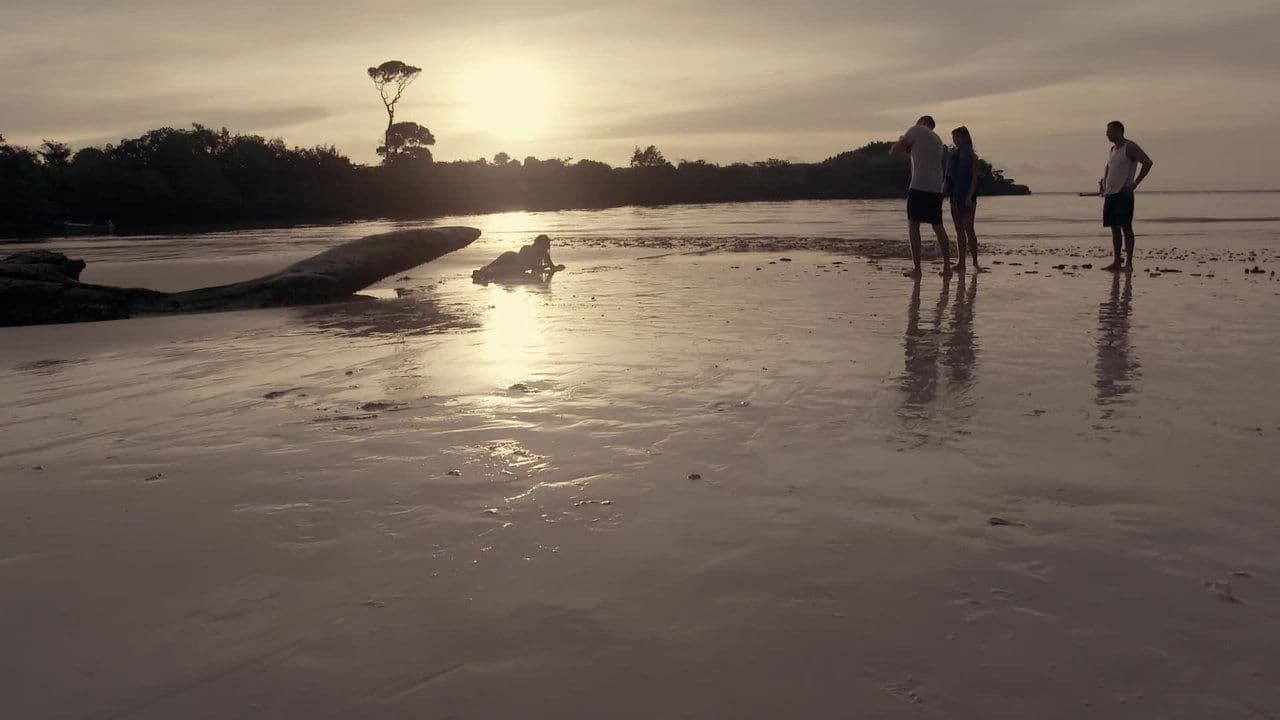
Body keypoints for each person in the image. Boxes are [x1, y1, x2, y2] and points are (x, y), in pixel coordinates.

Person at [891, 115, 953, 278]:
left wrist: (902, 140)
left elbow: (895, 150)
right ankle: (947, 267)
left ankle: (917, 269)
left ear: (920, 121)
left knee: (914, 225)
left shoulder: (916, 130)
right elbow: (922, 158)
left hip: (919, 185)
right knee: (938, 226)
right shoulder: (937, 140)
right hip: (936, 187)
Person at [1098, 121, 1154, 271]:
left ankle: (1128, 263)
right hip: (1111, 193)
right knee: (1114, 228)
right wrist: (1104, 183)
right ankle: (1117, 261)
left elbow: (1147, 163)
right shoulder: (1112, 149)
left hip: (1124, 194)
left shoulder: (1130, 147)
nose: (1106, 134)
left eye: (1109, 131)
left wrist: (1134, 184)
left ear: (1118, 131)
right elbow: (1109, 166)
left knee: (1126, 228)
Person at [943, 126, 981, 272]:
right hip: (955, 195)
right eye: (954, 137)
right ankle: (961, 263)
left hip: (968, 195)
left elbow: (974, 180)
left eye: (958, 137)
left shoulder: (973, 157)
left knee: (969, 229)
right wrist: (943, 193)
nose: (955, 140)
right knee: (959, 230)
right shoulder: (953, 155)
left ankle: (975, 262)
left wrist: (969, 196)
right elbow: (948, 178)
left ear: (965, 137)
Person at [472, 234, 565, 284]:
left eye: (547, 245)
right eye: (544, 245)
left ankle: (482, 273)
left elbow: (550, 267)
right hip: (511, 258)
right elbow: (530, 266)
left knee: (497, 270)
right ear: (538, 243)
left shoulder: (544, 254)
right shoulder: (527, 248)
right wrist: (543, 267)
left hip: (517, 266)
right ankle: (481, 272)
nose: (546, 247)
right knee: (494, 266)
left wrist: (558, 267)